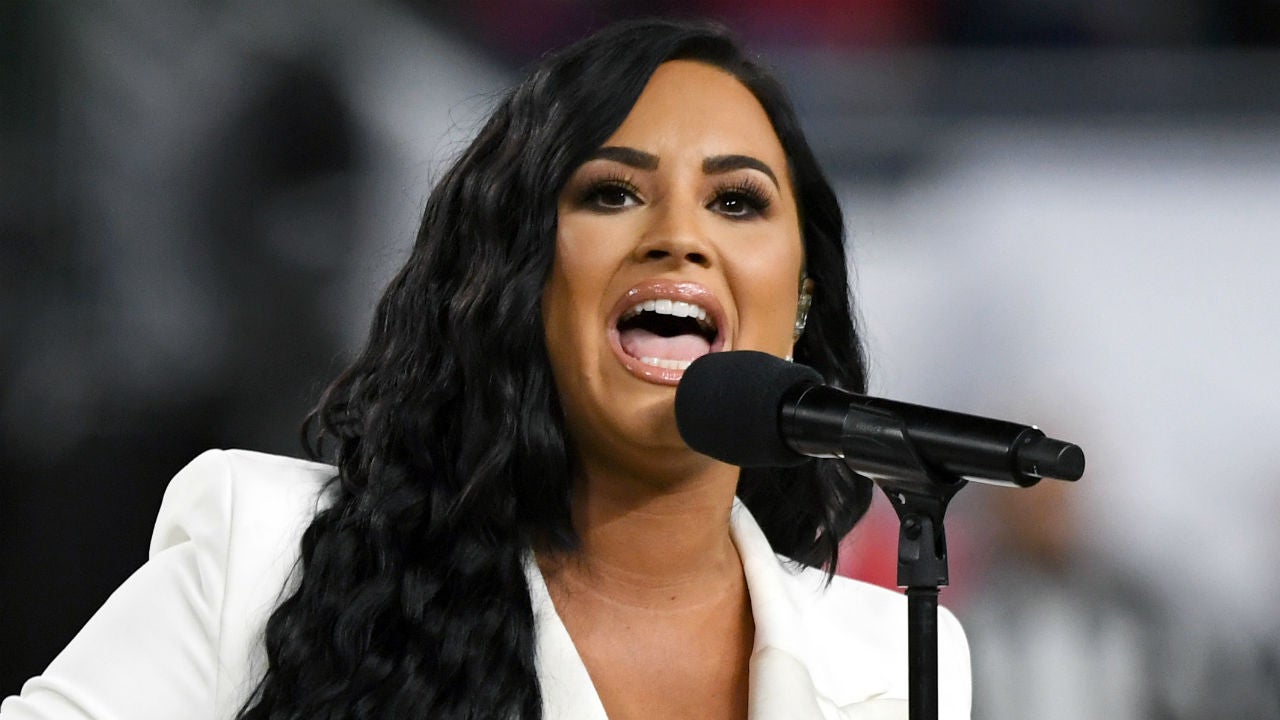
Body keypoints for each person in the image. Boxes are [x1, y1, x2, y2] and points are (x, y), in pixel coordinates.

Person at [1, 18, 970, 720]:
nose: (679, 235)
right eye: (612, 193)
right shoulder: (261, 556)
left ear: (798, 297)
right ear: (522, 278)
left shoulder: (899, 659)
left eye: (737, 202)